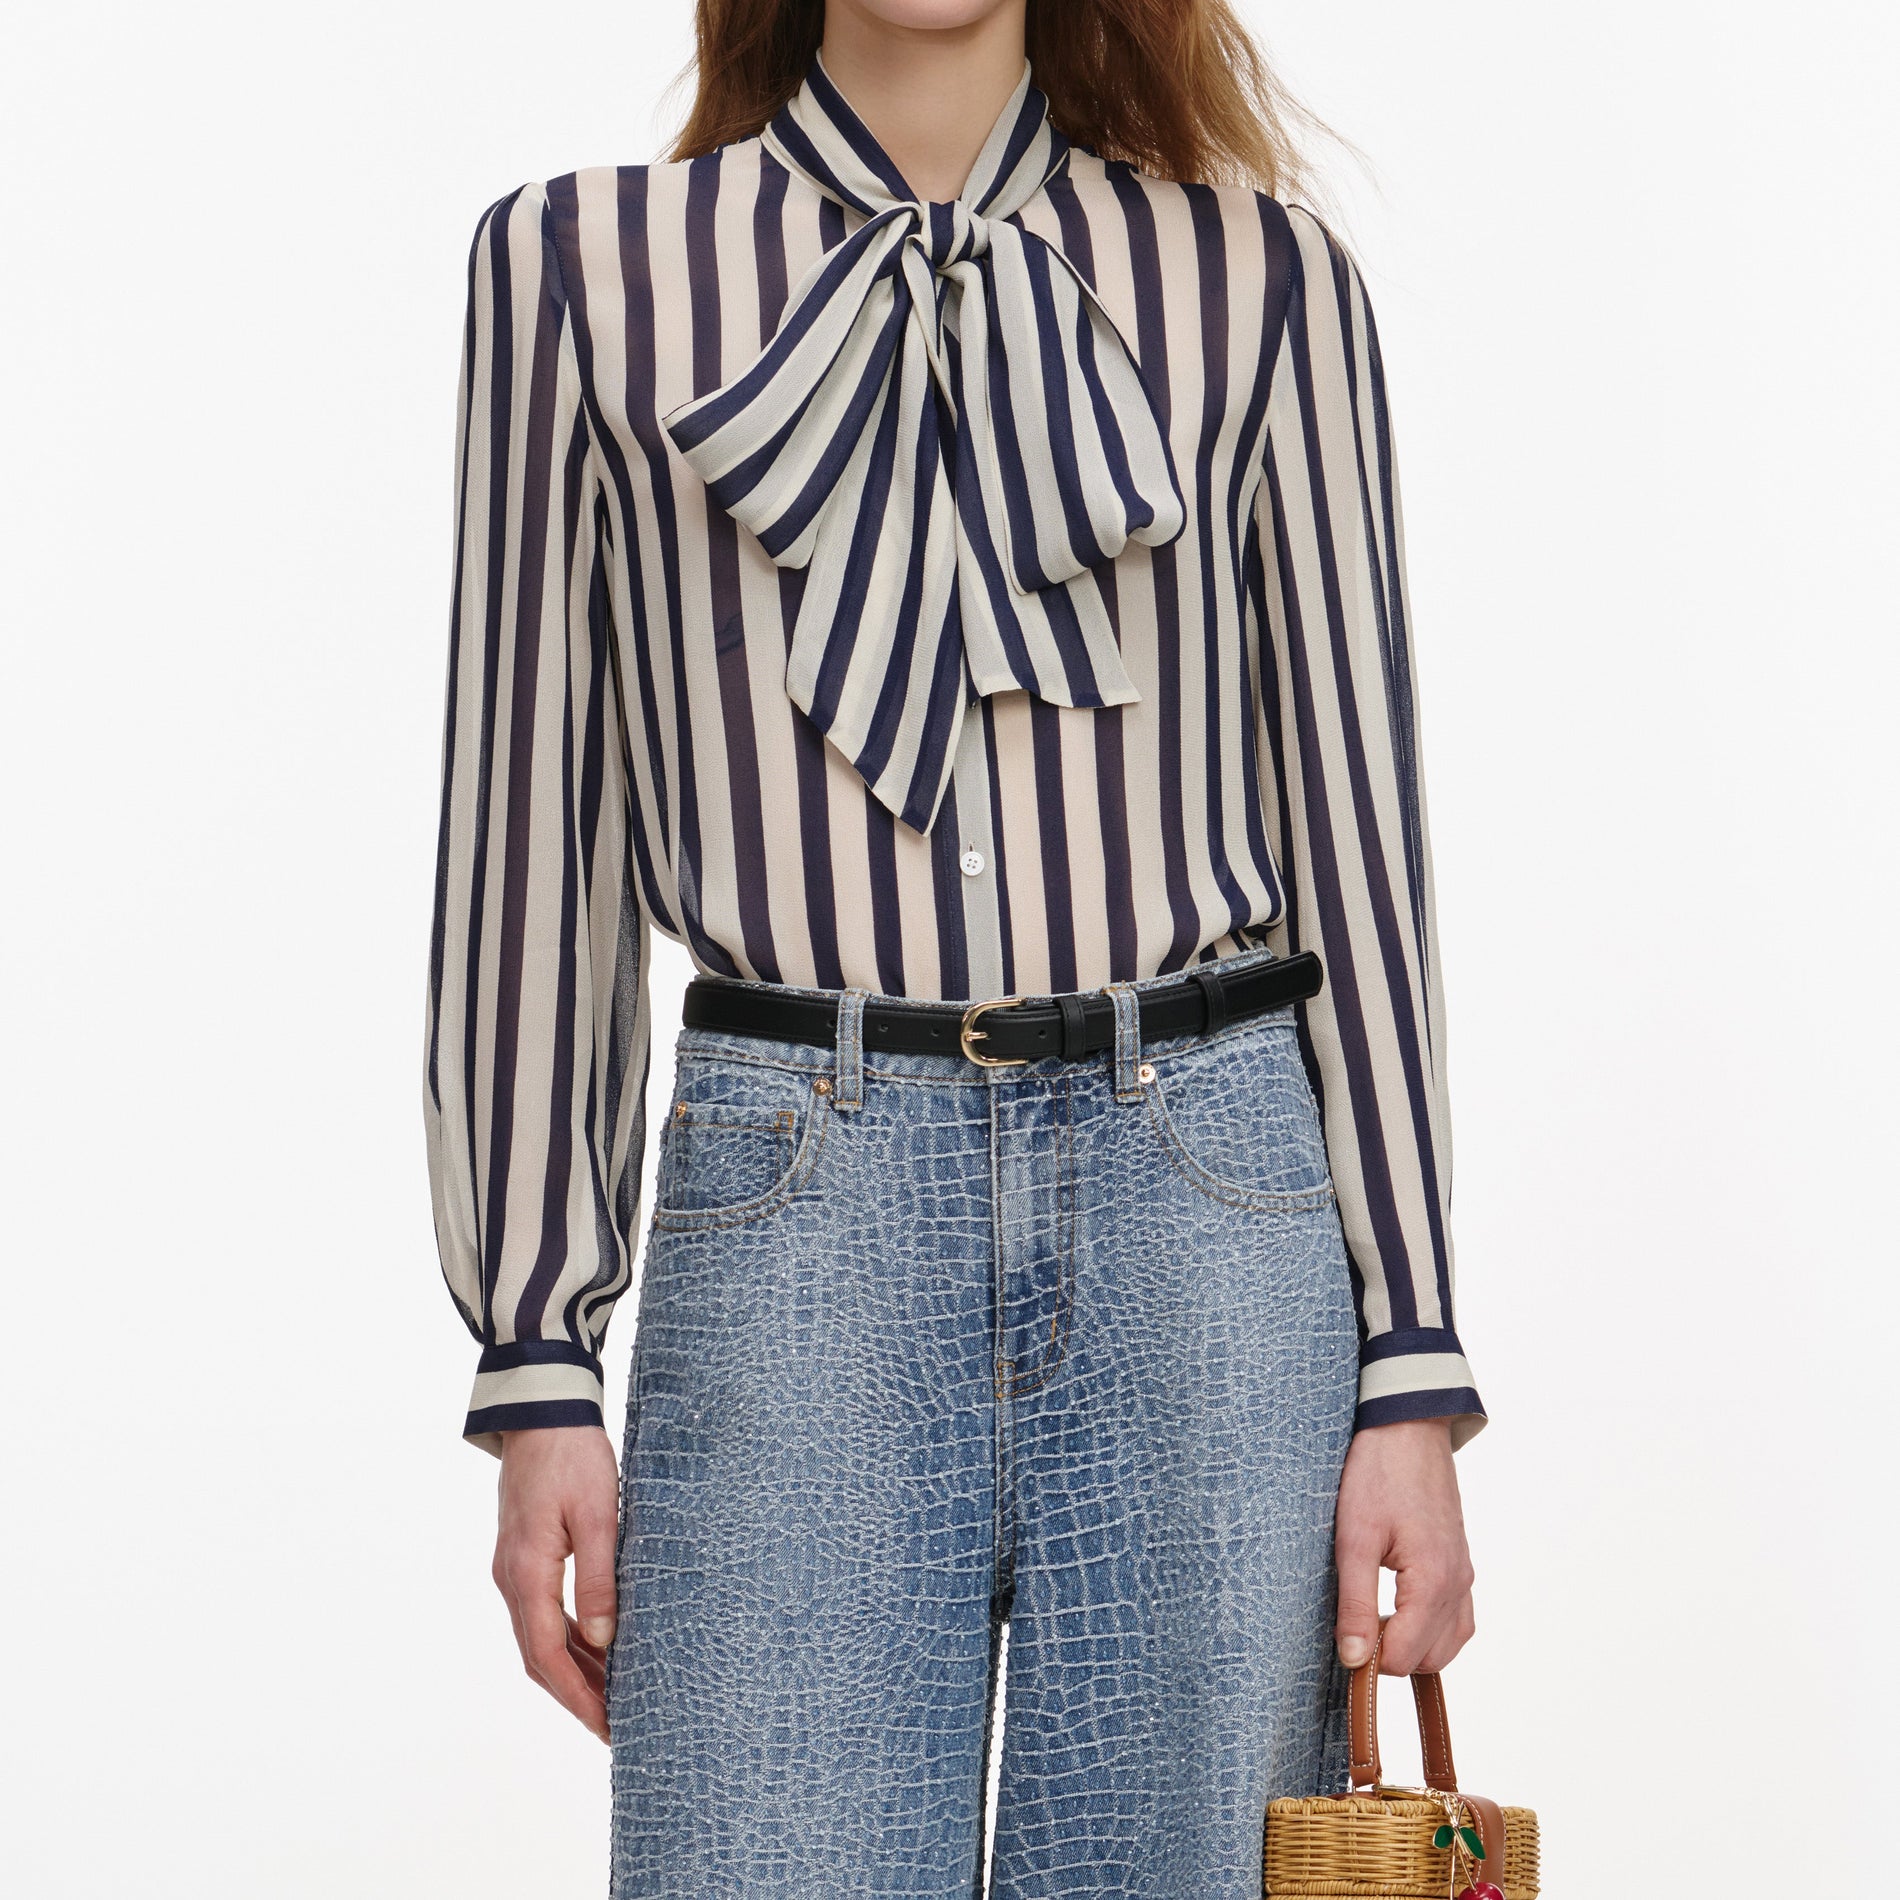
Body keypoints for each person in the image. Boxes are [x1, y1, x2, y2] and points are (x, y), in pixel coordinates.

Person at [423, 2, 1483, 1892]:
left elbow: (1359, 847)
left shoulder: (1261, 284)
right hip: (796, 1203)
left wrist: (1409, 1365)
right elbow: (528, 826)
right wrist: (537, 1362)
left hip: (1210, 1214)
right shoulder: (578, 272)